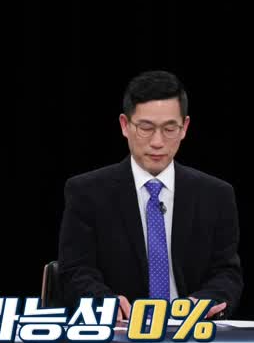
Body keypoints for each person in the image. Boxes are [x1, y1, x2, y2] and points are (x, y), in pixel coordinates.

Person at [57, 70, 243, 320]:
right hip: (121, 331)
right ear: (125, 125)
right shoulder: (87, 192)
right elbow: (75, 270)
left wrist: (203, 303)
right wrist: (105, 303)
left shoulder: (216, 195)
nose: (157, 142)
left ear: (185, 128)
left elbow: (227, 273)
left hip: (191, 329)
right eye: (146, 128)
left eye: (169, 129)